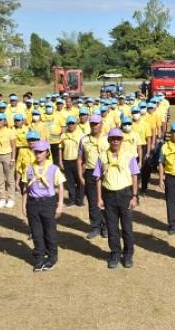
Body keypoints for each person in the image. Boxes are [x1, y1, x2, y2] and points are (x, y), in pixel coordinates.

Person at [94, 128, 140, 269]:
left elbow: (134, 176)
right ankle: (115, 253)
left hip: (125, 194)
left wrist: (134, 196)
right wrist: (99, 198)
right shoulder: (102, 156)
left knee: (127, 228)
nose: (115, 141)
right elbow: (98, 178)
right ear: (108, 140)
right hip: (109, 196)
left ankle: (128, 255)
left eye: (118, 139)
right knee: (112, 227)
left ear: (122, 140)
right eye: (112, 138)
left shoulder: (129, 156)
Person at [21, 140, 65, 272]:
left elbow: (60, 187)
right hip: (33, 203)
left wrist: (60, 204)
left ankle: (52, 257)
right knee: (36, 232)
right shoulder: (29, 168)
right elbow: (25, 187)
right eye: (36, 152)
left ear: (47, 153)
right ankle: (39, 257)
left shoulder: (53, 168)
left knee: (49, 231)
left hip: (48, 202)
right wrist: (24, 204)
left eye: (41, 152)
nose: (38, 154)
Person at [77, 114, 109, 239]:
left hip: (105, 173)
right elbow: (80, 159)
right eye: (92, 124)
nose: (94, 126)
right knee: (92, 201)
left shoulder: (107, 138)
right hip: (90, 173)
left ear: (101, 124)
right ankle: (95, 227)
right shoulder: (84, 139)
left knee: (106, 201)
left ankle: (106, 227)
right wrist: (80, 176)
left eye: (97, 123)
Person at [0, 113, 17, 208]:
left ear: (4, 121)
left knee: (10, 179)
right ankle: (2, 199)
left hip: (7, 156)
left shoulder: (10, 131)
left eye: (0, 120)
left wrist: (13, 158)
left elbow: (13, 146)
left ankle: (11, 199)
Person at [60, 116, 84, 207]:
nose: (71, 125)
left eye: (72, 123)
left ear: (76, 124)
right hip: (66, 161)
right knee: (70, 182)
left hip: (77, 161)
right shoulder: (63, 135)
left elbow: (83, 150)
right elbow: (60, 149)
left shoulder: (81, 135)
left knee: (79, 181)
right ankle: (71, 199)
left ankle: (79, 199)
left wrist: (83, 162)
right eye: (69, 123)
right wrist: (60, 161)